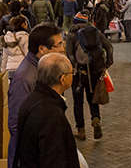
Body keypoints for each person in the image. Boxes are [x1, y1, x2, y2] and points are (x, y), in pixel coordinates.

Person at [7, 24, 64, 168]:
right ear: (42, 49)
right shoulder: (26, 78)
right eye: (59, 44)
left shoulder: (42, 69)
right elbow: (16, 124)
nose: (63, 49)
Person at [12, 53, 79, 168]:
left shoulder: (33, 99)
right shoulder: (51, 114)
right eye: (71, 73)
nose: (73, 75)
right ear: (62, 79)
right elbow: (54, 159)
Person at [66, 12, 113, 141]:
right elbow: (109, 47)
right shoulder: (95, 32)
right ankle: (96, 119)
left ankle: (81, 130)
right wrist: (107, 63)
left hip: (79, 73)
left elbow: (69, 54)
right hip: (95, 71)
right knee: (93, 98)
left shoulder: (72, 35)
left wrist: (74, 66)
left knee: (78, 102)